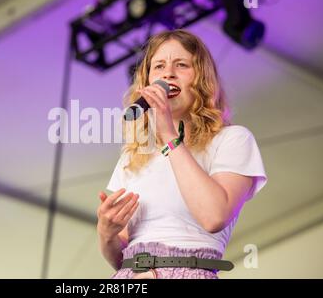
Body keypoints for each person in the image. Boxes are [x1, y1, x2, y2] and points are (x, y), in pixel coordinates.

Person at [96, 29, 267, 279]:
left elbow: (213, 217)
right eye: (159, 67)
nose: (168, 73)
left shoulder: (233, 140)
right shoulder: (134, 155)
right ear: (146, 83)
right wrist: (106, 232)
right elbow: (120, 259)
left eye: (181, 65)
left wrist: (168, 136)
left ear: (201, 78)